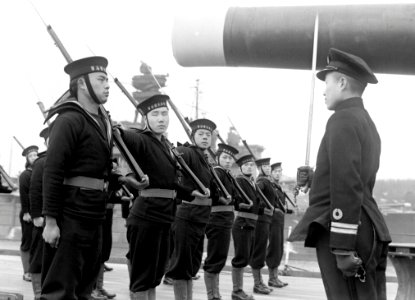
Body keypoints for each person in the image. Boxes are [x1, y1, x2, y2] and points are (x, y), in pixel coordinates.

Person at [288, 48, 391, 300]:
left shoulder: (342, 120)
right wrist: (317, 176)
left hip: (345, 230)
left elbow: (347, 185)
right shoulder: (365, 121)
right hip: (368, 224)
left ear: (342, 82)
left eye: (328, 83)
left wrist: (342, 247)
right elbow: (356, 176)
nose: (324, 91)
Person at [41, 56, 114, 299]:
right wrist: (50, 221)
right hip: (71, 214)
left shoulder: (102, 122)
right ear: (82, 84)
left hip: (95, 213)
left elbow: (96, 170)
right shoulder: (69, 119)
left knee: (85, 287)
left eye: (107, 79)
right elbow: (52, 172)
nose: (107, 85)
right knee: (60, 289)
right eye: (101, 79)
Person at [120, 94, 194, 300]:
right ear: (146, 119)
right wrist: (114, 126)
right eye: (155, 115)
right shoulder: (142, 139)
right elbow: (124, 136)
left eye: (164, 114)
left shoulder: (166, 146)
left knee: (155, 275)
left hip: (165, 215)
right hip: (146, 215)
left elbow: (168, 180)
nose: (161, 118)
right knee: (142, 276)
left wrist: (190, 193)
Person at [166, 118, 216, 300]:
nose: (205, 138)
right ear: (192, 136)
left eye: (208, 135)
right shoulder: (185, 152)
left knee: (192, 265)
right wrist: (189, 191)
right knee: (181, 265)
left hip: (202, 215)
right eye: (201, 134)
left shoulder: (205, 159)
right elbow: (168, 171)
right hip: (187, 213)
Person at [203, 143, 239, 300]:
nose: (228, 160)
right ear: (217, 158)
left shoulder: (226, 174)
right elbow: (213, 195)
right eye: (225, 157)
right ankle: (212, 295)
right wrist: (223, 200)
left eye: (230, 158)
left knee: (220, 256)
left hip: (226, 219)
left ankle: (215, 293)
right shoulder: (216, 172)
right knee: (215, 256)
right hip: (217, 218)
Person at [231, 154, 261, 300]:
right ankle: (236, 291)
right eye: (246, 165)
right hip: (243, 222)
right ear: (241, 167)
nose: (249, 167)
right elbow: (236, 200)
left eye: (251, 165)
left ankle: (238, 290)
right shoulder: (239, 181)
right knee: (240, 257)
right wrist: (242, 204)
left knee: (246, 257)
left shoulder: (251, 182)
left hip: (252, 223)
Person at [28, 126, 51, 298]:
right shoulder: (41, 162)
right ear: (46, 142)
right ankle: (38, 293)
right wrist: (36, 215)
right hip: (42, 218)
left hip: (58, 217)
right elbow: (34, 190)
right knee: (38, 257)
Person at [250, 158, 274, 295]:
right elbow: (255, 197)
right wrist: (263, 208)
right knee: (259, 250)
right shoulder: (261, 181)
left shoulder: (267, 180)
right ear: (259, 168)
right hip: (261, 219)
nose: (268, 167)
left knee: (262, 249)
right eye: (265, 165)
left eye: (269, 165)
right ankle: (257, 283)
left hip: (266, 220)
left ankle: (259, 281)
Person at [266, 162, 290, 288]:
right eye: (275, 171)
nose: (278, 173)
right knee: (274, 247)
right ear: (270, 173)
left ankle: (275, 277)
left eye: (280, 171)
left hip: (279, 220)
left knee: (279, 247)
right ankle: (272, 278)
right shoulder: (269, 186)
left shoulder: (279, 187)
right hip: (273, 220)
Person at [19, 144, 39, 282]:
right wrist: (26, 212)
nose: (34, 157)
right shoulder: (25, 175)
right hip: (28, 214)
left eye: (35, 155)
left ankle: (34, 270)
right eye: (31, 156)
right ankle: (27, 272)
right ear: (27, 159)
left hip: (37, 213)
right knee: (27, 243)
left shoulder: (39, 172)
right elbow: (23, 195)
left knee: (35, 243)